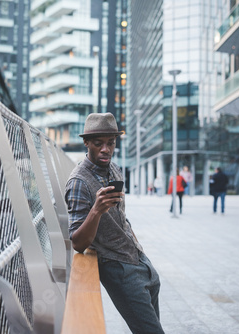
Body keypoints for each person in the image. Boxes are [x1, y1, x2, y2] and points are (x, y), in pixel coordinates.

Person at [65, 113, 164, 334]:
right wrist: (97, 210)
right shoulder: (78, 183)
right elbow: (78, 243)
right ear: (86, 143)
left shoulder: (113, 168)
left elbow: (121, 216)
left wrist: (138, 248)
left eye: (111, 143)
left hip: (138, 258)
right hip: (118, 267)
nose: (105, 149)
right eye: (98, 143)